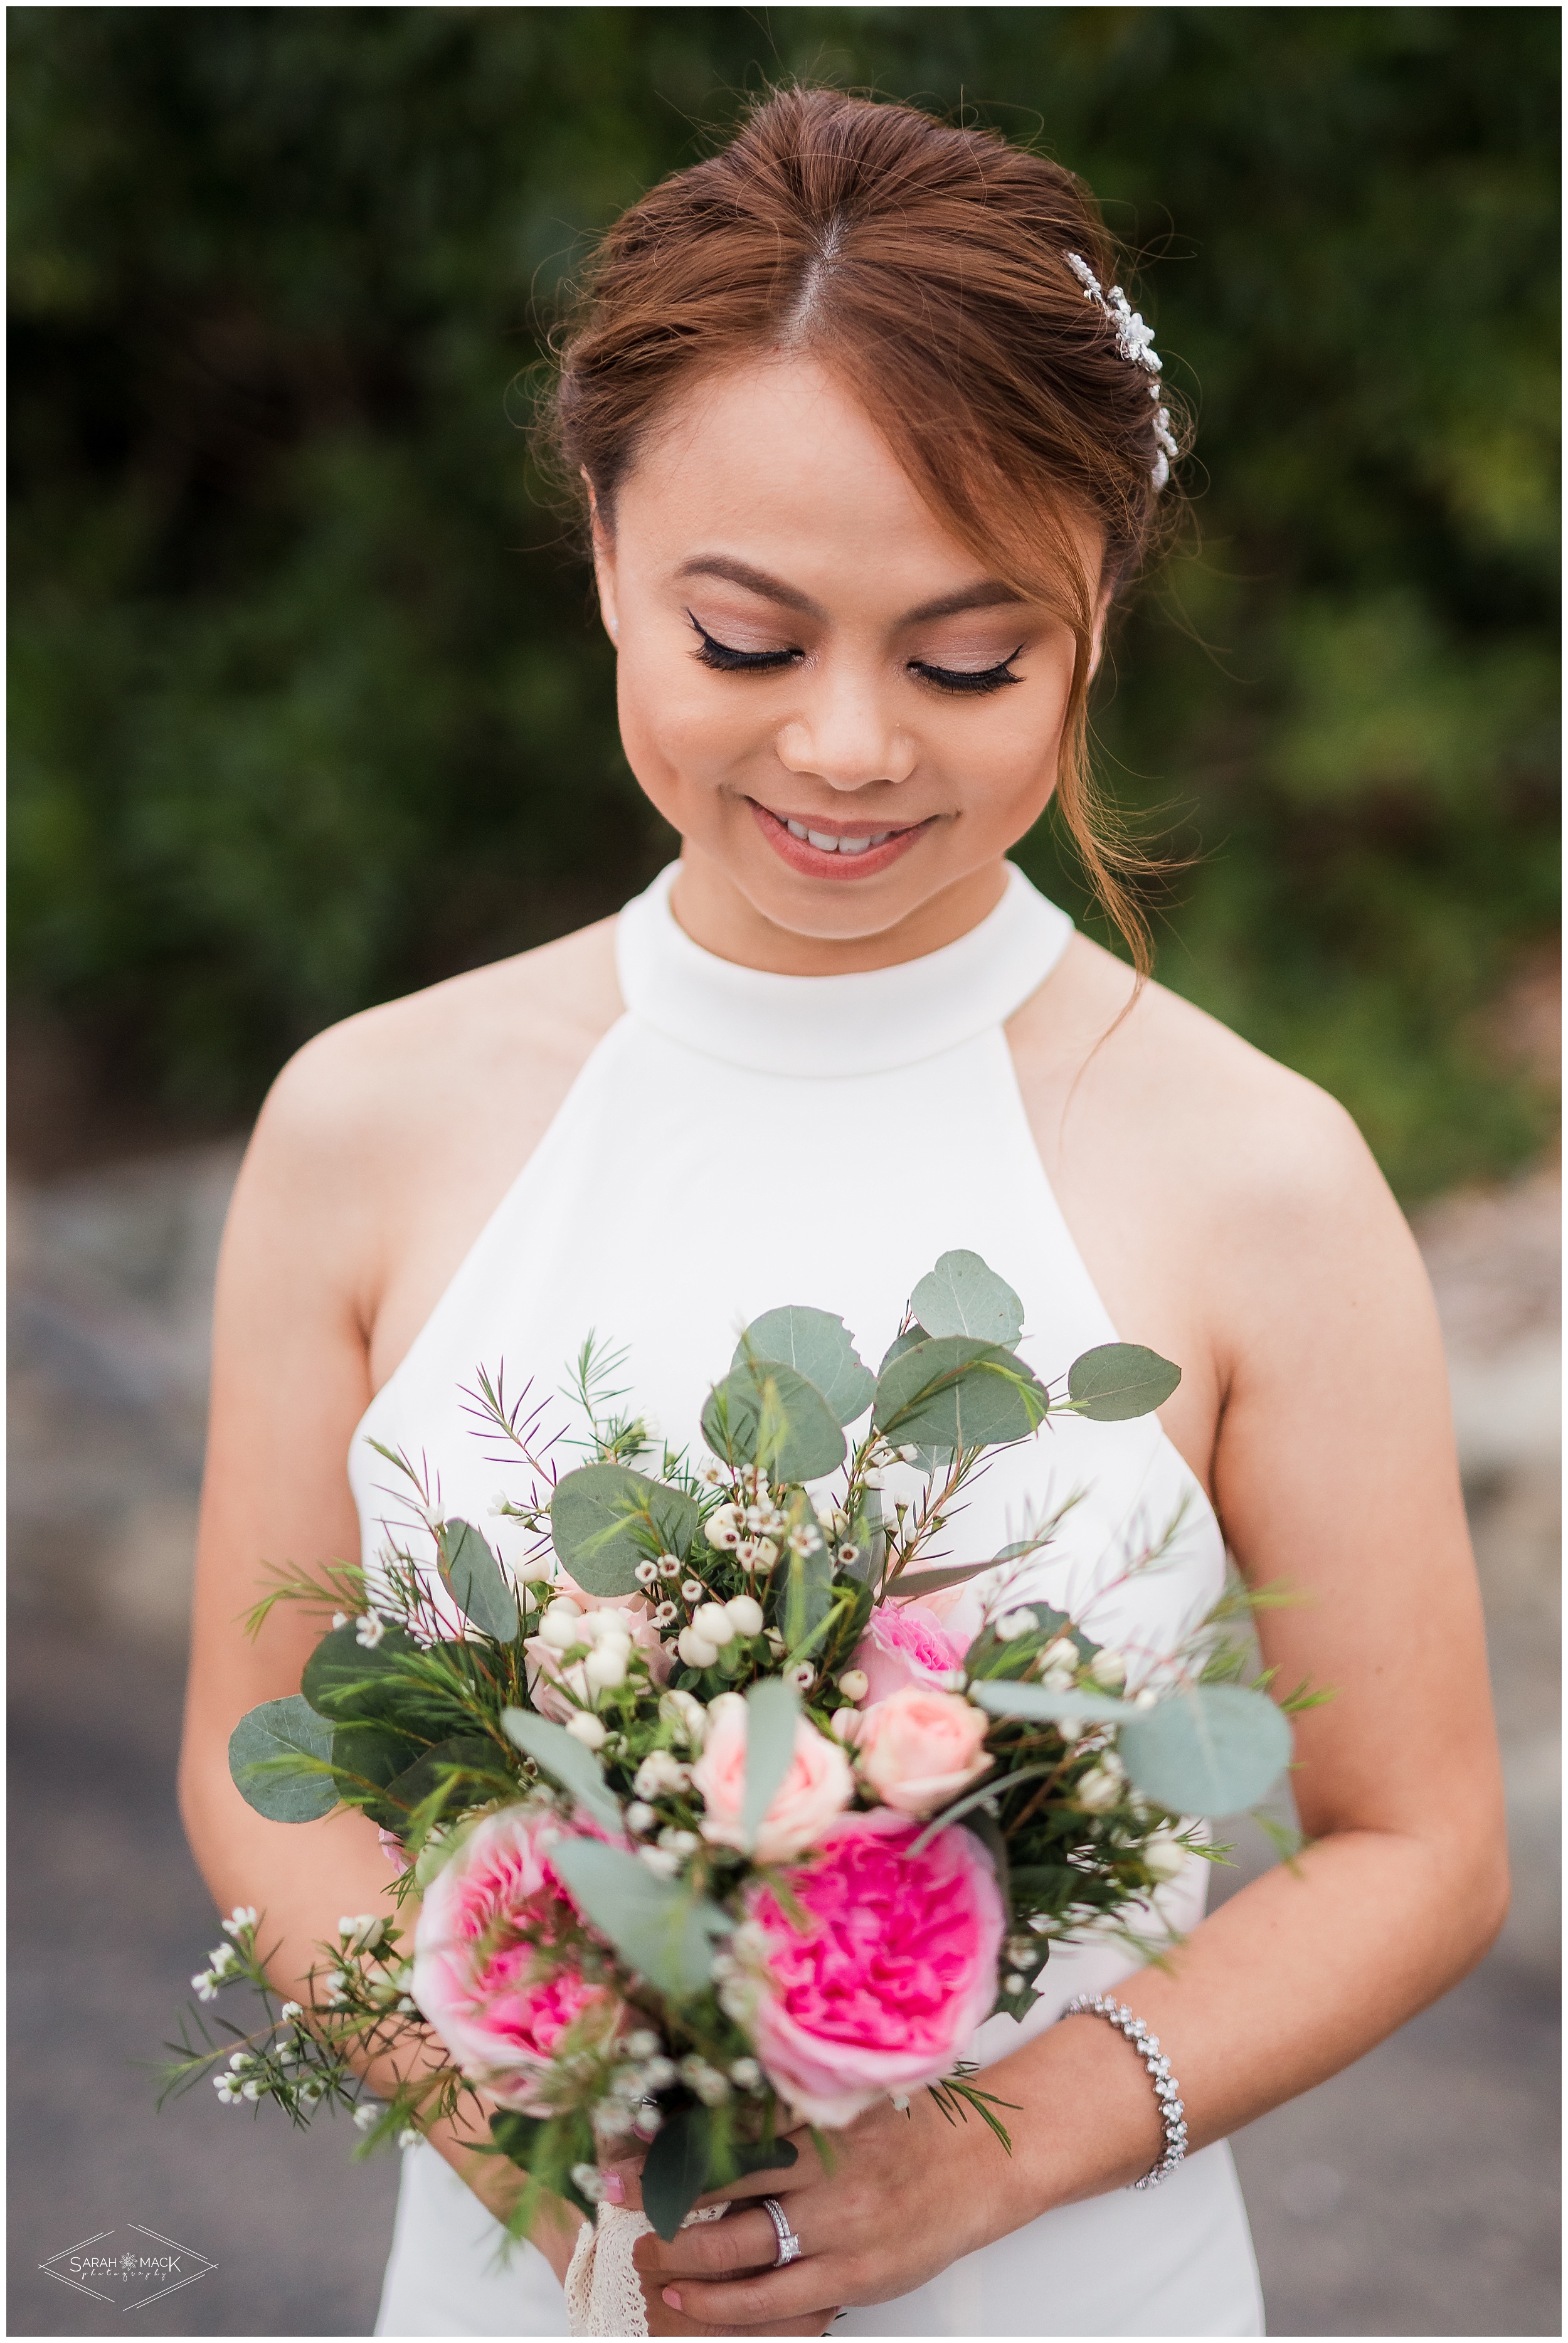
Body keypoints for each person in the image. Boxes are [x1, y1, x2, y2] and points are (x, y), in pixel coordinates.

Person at [179, 85, 1507, 2339]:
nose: (850, 748)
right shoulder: (368, 1120)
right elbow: (263, 1754)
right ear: (603, 550)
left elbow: (1416, 1846)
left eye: (967, 659)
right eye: (745, 638)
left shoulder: (1255, 1171)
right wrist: (520, 2118)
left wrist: (964, 2179)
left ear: (1095, 612)